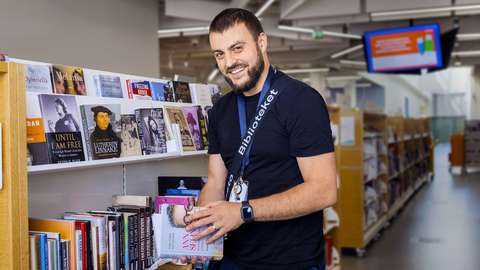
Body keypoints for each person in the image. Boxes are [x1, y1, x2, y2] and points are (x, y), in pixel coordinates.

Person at [184, 8, 337, 270]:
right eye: (219, 54)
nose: (229, 62)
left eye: (237, 48)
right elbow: (216, 182)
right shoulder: (221, 110)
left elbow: (324, 190)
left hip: (290, 261)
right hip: (230, 258)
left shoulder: (301, 101)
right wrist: (199, 228)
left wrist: (243, 211)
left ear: (262, 43)